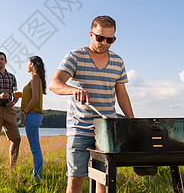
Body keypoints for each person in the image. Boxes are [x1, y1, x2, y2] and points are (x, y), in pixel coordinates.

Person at [48, 16, 135, 193]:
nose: (104, 43)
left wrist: (132, 121)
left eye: (110, 40)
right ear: (90, 34)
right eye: (100, 38)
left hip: (106, 129)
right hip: (79, 127)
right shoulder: (75, 56)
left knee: (104, 180)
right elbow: (54, 84)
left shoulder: (118, 61)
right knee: (75, 179)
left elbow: (122, 95)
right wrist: (72, 90)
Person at [21, 55, 46, 179]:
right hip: (34, 115)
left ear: (32, 65)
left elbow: (35, 98)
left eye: (28, 63)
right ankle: (37, 174)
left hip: (32, 115)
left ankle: (37, 176)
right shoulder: (35, 79)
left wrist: (25, 112)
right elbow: (32, 96)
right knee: (35, 148)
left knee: (35, 149)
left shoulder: (35, 78)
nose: (26, 65)